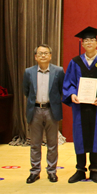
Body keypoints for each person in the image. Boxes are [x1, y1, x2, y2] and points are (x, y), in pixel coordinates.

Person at [62, 26, 97, 183]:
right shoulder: (75, 62)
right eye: (86, 40)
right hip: (80, 106)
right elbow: (69, 83)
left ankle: (94, 169)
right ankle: (80, 169)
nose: (89, 43)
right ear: (82, 43)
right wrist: (72, 94)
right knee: (80, 135)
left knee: (96, 135)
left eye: (92, 40)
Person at [23, 44, 64, 184]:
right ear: (35, 57)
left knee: (52, 143)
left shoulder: (58, 71)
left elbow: (61, 90)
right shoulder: (29, 72)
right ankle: (34, 171)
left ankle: (52, 171)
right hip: (35, 110)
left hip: (51, 110)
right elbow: (26, 91)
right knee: (35, 144)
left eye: (46, 53)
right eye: (40, 53)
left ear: (50, 56)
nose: (43, 56)